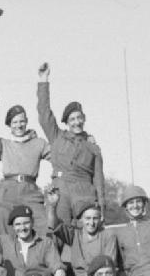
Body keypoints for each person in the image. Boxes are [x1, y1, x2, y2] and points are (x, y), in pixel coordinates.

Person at [36, 62, 105, 223]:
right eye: (72, 119)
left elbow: (99, 180)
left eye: (79, 117)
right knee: (58, 231)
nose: (76, 122)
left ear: (84, 118)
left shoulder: (93, 147)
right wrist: (43, 80)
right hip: (60, 189)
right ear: (67, 122)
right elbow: (44, 113)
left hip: (84, 192)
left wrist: (101, 207)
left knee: (85, 234)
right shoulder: (57, 137)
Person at [0, 92, 50, 234]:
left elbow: (59, 156)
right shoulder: (3, 144)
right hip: (7, 191)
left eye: (22, 121)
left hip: (30, 190)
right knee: (5, 231)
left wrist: (85, 138)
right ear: (10, 125)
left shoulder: (39, 143)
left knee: (44, 228)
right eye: (15, 122)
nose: (19, 125)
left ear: (27, 122)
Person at [58, 198, 121, 276]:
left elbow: (108, 265)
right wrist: (52, 206)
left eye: (95, 218)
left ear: (100, 219)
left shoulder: (108, 235)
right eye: (87, 218)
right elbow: (55, 225)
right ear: (81, 220)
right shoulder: (74, 235)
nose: (91, 222)